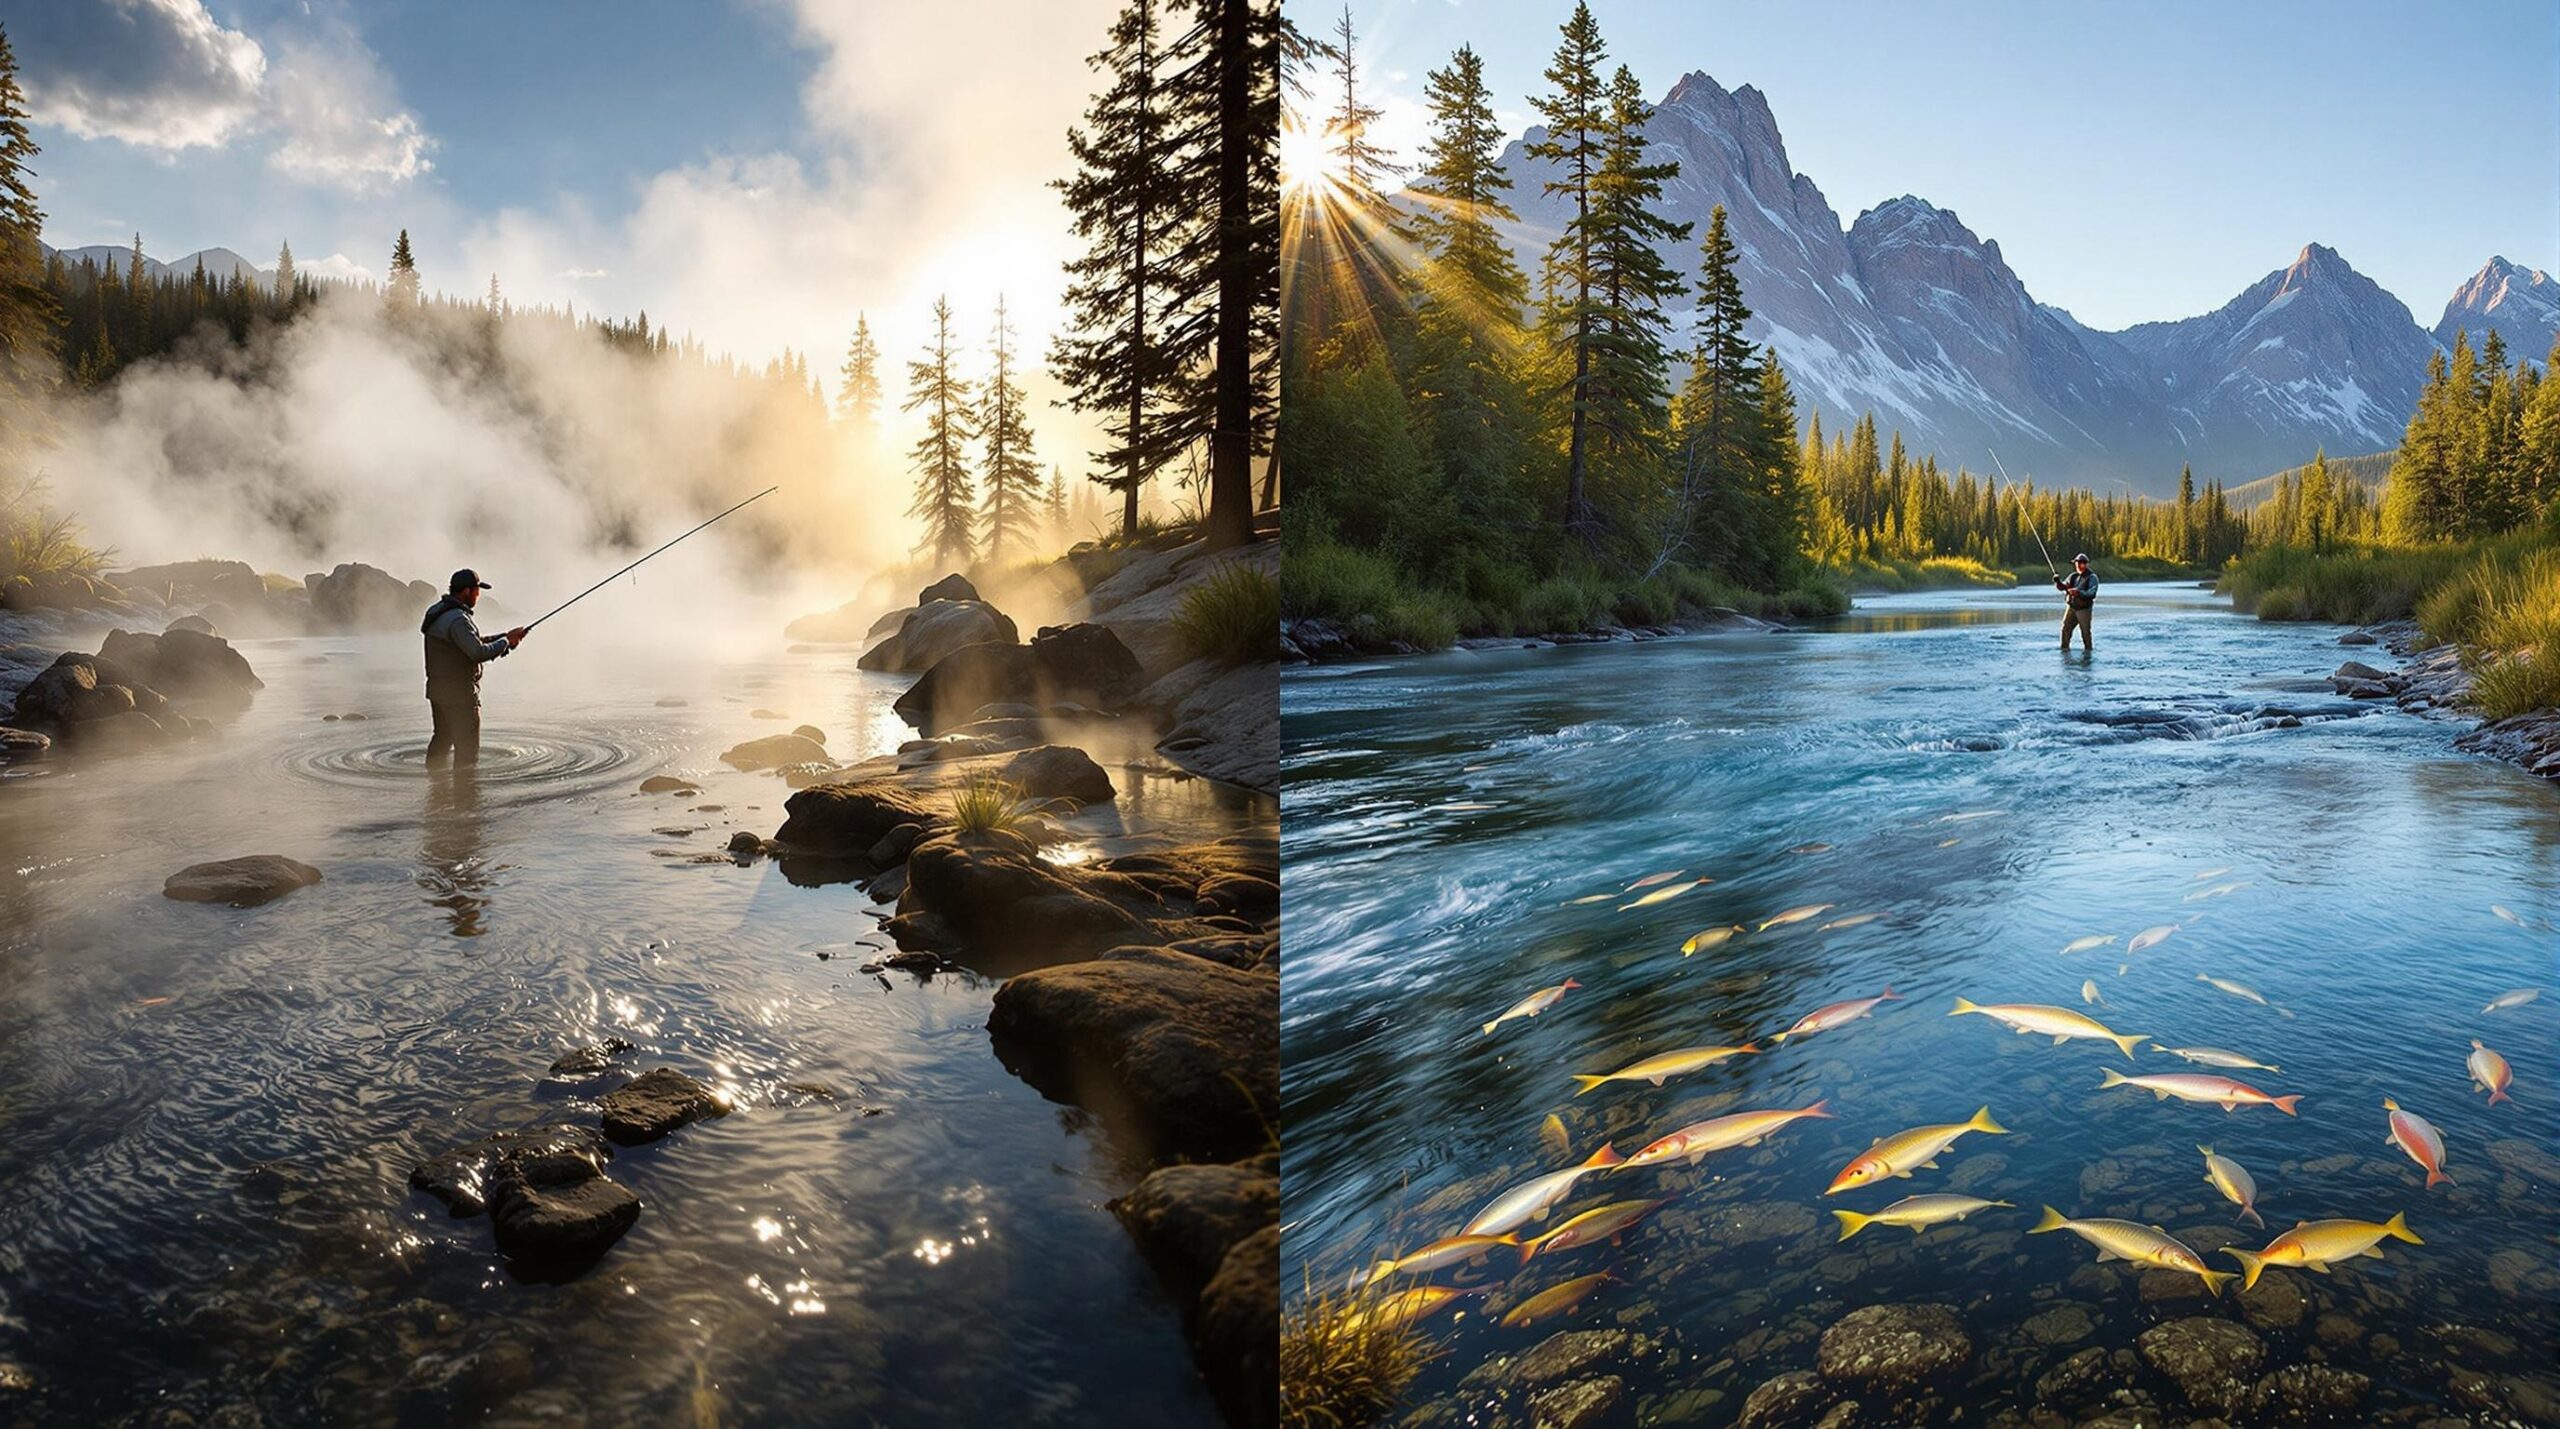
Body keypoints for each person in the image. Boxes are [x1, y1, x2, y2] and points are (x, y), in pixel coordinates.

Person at [421, 569, 529, 768]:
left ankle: (435, 789)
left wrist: (505, 636)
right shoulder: (458, 619)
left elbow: (468, 643)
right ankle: (466, 795)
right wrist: (506, 641)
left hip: (438, 691)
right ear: (467, 592)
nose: (478, 596)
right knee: (467, 754)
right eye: (477, 591)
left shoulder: (439, 611)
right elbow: (477, 653)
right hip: (460, 696)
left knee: (442, 741)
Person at [2056, 552, 2097, 653]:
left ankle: (2088, 652)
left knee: (2085, 633)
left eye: (2081, 563)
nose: (2078, 565)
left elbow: (2092, 593)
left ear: (2086, 564)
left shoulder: (2092, 577)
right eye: (2077, 563)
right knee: (2065, 629)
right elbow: (2064, 587)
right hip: (2071, 607)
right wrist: (2057, 582)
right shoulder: (2073, 576)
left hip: (2084, 609)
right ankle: (2064, 650)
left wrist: (2078, 592)